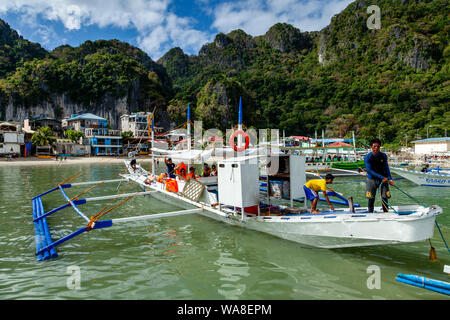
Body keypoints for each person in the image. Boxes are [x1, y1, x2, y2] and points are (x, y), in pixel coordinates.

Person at [364, 138, 395, 213]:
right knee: (371, 197)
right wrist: (382, 177)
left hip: (383, 179)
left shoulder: (383, 156)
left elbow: (386, 167)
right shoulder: (367, 157)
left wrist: (390, 179)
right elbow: (369, 170)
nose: (376, 148)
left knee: (385, 197)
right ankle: (370, 212)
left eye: (378, 146)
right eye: (374, 146)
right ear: (371, 147)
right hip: (372, 179)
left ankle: (386, 212)